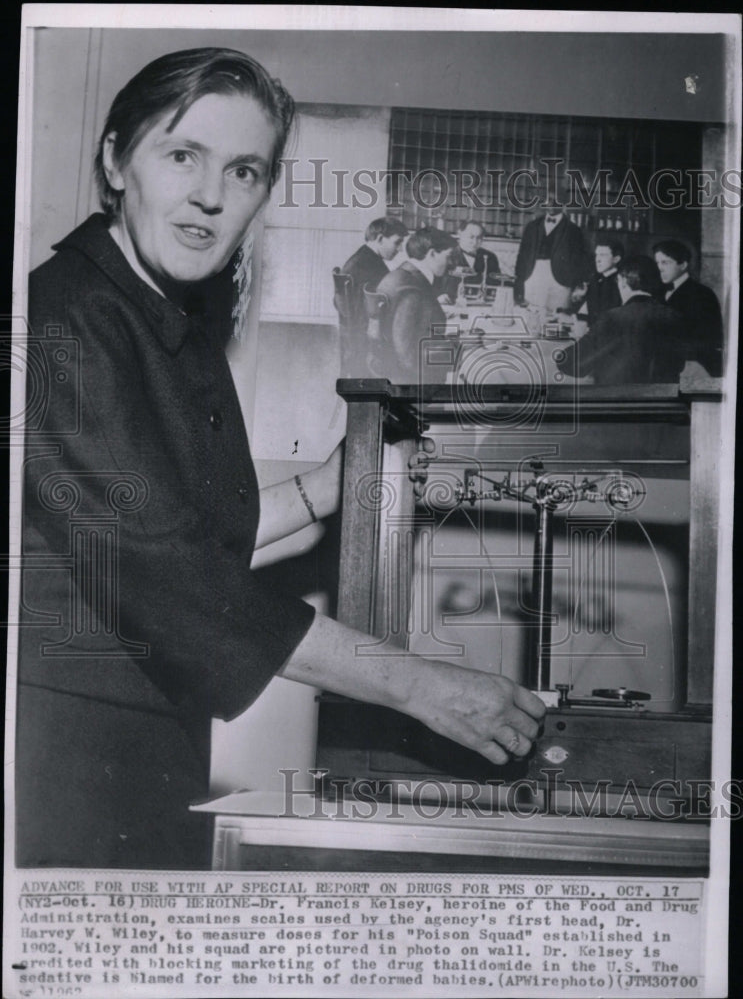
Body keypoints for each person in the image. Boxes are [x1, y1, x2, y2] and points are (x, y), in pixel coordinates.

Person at [17, 48, 544, 870]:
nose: (210, 196)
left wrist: (324, 488)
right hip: (65, 753)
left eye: (244, 170)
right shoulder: (64, 318)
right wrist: (417, 685)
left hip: (143, 735)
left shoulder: (160, 316)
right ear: (115, 160)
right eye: (181, 154)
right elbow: (165, 574)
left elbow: (192, 540)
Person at [556, 255, 686, 384]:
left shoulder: (613, 318)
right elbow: (678, 366)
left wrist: (581, 338)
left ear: (623, 282)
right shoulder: (675, 317)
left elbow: (569, 363)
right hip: (662, 400)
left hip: (619, 399)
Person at [372, 226, 457, 382]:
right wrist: (456, 352)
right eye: (448, 257)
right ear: (432, 254)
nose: (451, 263)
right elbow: (407, 354)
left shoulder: (403, 275)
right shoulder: (413, 290)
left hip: (385, 367)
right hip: (407, 382)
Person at [335, 216, 407, 376]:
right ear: (380, 239)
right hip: (366, 344)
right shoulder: (370, 266)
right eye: (397, 242)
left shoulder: (362, 258)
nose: (400, 249)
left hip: (354, 338)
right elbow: (390, 300)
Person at [653, 239, 724, 377]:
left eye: (665, 262)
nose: (659, 268)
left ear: (683, 265)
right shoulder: (657, 292)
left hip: (692, 369)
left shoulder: (703, 294)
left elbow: (710, 338)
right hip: (661, 370)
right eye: (657, 263)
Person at [514, 196, 589, 313]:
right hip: (533, 276)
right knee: (531, 313)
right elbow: (522, 255)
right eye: (548, 200)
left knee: (557, 317)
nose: (552, 203)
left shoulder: (573, 230)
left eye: (557, 200)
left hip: (561, 280)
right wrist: (519, 279)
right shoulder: (532, 226)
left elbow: (579, 260)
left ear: (564, 203)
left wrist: (574, 284)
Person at [443, 220, 500, 302]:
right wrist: (439, 296)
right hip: (451, 303)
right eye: (471, 237)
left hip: (482, 306)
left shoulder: (490, 257)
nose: (475, 242)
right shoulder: (448, 255)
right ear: (460, 234)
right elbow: (435, 283)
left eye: (479, 238)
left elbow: (496, 283)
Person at [573, 239, 624, 326]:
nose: (597, 260)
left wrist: (574, 317)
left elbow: (607, 319)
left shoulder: (620, 283)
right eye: (597, 255)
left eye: (603, 255)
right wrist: (579, 298)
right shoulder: (595, 278)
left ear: (616, 259)